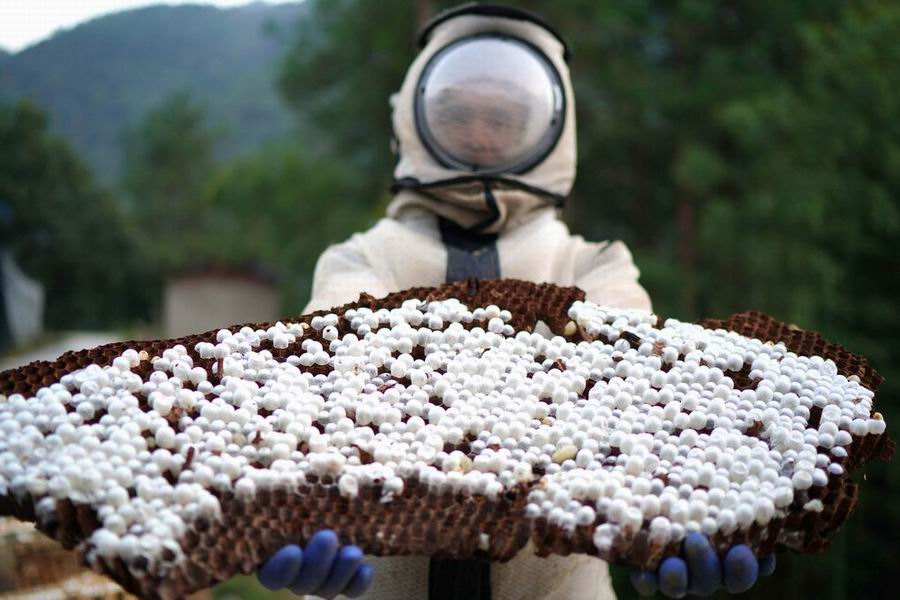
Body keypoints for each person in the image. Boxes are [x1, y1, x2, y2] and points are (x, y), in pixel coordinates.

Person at [256, 5, 776, 599]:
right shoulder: (360, 261)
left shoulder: (594, 265)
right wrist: (295, 499)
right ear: (414, 118)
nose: (479, 135)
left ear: (550, 127)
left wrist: (677, 502)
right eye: (457, 114)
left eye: (503, 118)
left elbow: (637, 398)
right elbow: (322, 390)